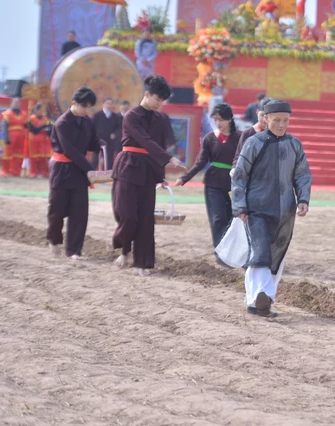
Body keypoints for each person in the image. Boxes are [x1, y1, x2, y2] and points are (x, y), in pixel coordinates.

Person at [232, 100, 312, 318]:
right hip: (256, 209)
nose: (281, 124)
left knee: (277, 254)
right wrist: (240, 205)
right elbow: (240, 175)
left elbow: (302, 174)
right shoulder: (253, 143)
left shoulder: (294, 144)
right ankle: (261, 297)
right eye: (277, 120)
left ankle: (260, 299)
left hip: (285, 210)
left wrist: (303, 198)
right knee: (260, 253)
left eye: (285, 120)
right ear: (265, 119)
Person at [111, 75, 183, 276]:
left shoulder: (161, 119)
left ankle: (142, 263)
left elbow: (158, 146)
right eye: (158, 99)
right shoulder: (131, 116)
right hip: (128, 167)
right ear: (147, 94)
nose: (160, 104)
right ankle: (124, 248)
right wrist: (169, 158)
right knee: (127, 214)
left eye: (163, 101)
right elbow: (144, 141)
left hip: (148, 170)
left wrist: (161, 176)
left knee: (145, 219)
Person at [175, 103, 242, 247]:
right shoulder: (209, 138)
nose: (218, 123)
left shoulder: (240, 137)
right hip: (213, 183)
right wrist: (185, 178)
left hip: (234, 183)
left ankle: (231, 249)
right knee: (217, 218)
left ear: (229, 119)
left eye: (221, 119)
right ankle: (220, 250)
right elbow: (200, 162)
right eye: (215, 119)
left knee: (231, 217)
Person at [47, 87, 101, 260]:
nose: (86, 110)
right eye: (84, 106)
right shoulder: (62, 123)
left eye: (89, 107)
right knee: (57, 210)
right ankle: (54, 241)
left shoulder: (87, 121)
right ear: (74, 103)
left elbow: (93, 143)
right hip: (62, 170)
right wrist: (90, 170)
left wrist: (102, 144)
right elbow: (70, 151)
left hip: (79, 171)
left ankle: (74, 250)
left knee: (79, 212)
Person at [233, 96, 272, 169]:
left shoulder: (277, 134)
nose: (264, 119)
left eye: (268, 116)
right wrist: (234, 168)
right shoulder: (248, 133)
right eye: (262, 115)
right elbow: (238, 156)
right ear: (257, 112)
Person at [92, 97, 123, 170]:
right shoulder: (97, 115)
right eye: (107, 103)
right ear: (103, 104)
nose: (109, 105)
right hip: (98, 140)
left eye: (110, 104)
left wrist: (115, 134)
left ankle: (108, 174)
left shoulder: (115, 116)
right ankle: (91, 172)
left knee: (109, 159)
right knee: (95, 159)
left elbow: (119, 127)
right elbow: (92, 127)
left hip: (110, 140)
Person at [0, 98, 27, 177]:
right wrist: (6, 137)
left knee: (19, 154)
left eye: (18, 103)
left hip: (21, 137)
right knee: (7, 154)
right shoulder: (7, 114)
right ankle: (6, 171)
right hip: (10, 135)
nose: (16, 104)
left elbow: (26, 126)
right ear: (11, 103)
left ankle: (16, 171)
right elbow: (4, 127)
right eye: (15, 103)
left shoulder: (24, 114)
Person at [25, 104, 52, 178]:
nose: (40, 112)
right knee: (34, 158)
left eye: (41, 110)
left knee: (43, 158)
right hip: (34, 142)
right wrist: (43, 127)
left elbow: (50, 130)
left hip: (44, 141)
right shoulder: (31, 119)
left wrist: (47, 128)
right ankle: (34, 173)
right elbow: (34, 130)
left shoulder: (46, 119)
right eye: (39, 110)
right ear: (36, 110)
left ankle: (44, 173)